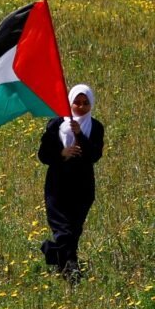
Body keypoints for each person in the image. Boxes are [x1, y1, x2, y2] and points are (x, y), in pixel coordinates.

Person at [38, 84, 104, 281]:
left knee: (74, 230)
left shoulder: (95, 127)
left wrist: (80, 135)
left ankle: (56, 256)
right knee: (63, 230)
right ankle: (72, 270)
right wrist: (62, 153)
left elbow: (94, 155)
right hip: (57, 185)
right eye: (77, 102)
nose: (81, 107)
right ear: (70, 103)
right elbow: (43, 155)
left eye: (85, 103)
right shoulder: (55, 125)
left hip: (82, 185)